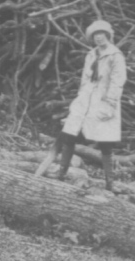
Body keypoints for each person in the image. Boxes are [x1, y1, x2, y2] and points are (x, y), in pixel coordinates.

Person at [52, 19, 127, 190]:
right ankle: (61, 173)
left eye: (101, 34)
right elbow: (85, 80)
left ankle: (110, 183)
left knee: (106, 143)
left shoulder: (115, 56)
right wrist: (80, 99)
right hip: (86, 100)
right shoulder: (91, 55)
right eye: (95, 35)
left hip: (104, 101)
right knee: (70, 135)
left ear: (108, 35)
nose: (98, 37)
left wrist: (110, 103)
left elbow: (117, 81)